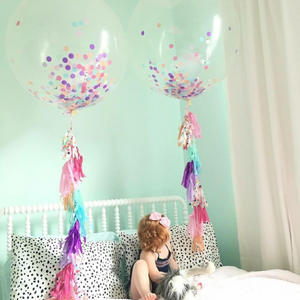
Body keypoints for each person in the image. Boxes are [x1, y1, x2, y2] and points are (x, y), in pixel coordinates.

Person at [129, 212, 178, 300]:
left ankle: (154, 297)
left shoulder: (167, 246)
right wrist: (170, 278)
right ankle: (146, 294)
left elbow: (172, 263)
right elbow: (154, 275)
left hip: (158, 290)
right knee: (140, 264)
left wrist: (179, 275)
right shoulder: (148, 253)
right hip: (140, 290)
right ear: (158, 237)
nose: (170, 233)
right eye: (168, 231)